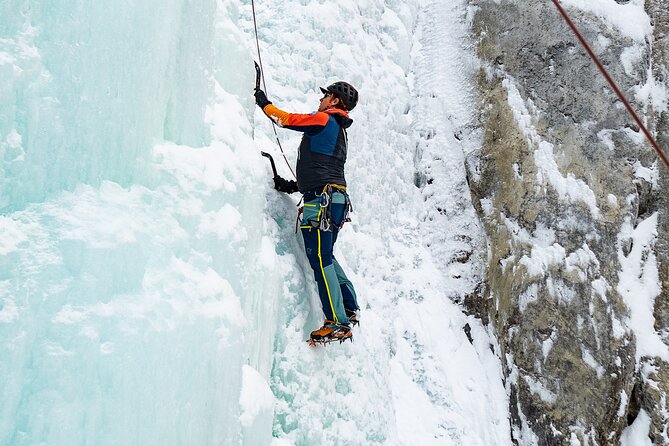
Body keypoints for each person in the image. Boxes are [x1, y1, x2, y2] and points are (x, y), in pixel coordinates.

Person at [254, 81, 360, 344]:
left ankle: (338, 321)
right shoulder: (338, 131)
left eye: (325, 96)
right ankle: (348, 306)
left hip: (322, 201)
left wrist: (262, 101)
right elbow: (321, 167)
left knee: (320, 258)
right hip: (333, 200)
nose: (321, 100)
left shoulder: (324, 119)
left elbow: (287, 119)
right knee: (327, 255)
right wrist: (291, 187)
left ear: (335, 101)